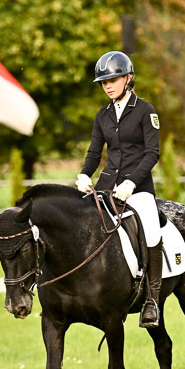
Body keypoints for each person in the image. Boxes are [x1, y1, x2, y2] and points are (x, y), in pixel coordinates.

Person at [75, 50, 162, 328]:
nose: (108, 85)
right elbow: (93, 152)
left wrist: (132, 182)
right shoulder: (102, 115)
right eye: (104, 82)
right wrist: (84, 174)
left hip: (138, 187)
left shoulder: (146, 111)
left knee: (149, 226)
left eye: (113, 79)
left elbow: (152, 153)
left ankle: (152, 299)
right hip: (107, 186)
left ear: (128, 78)